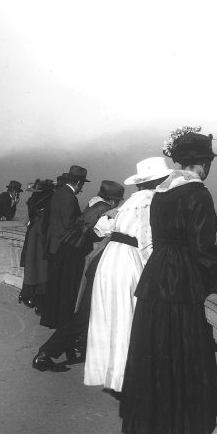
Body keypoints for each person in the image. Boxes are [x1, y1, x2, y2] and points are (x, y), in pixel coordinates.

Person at [119, 128, 217, 434]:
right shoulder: (198, 193)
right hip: (183, 279)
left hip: (157, 276)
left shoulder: (161, 192)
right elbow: (203, 246)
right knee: (183, 351)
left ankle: (154, 424)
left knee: (157, 351)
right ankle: (183, 428)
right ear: (202, 163)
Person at [83, 157, 173, 392]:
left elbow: (102, 226)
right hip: (128, 260)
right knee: (127, 318)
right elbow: (147, 241)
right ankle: (126, 380)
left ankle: (110, 375)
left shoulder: (131, 201)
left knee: (108, 316)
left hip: (110, 258)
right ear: (160, 181)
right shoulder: (153, 202)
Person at [31, 180, 125, 372]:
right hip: (91, 263)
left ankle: (65, 347)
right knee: (84, 312)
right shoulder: (106, 214)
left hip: (77, 259)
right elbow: (108, 231)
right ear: (115, 201)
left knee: (84, 311)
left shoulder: (94, 205)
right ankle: (48, 352)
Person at [39, 165, 89, 330]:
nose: (82, 189)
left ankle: (53, 319)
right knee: (63, 286)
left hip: (54, 245)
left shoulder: (60, 193)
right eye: (82, 185)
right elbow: (68, 223)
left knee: (55, 285)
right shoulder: (69, 197)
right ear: (78, 183)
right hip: (63, 247)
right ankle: (61, 320)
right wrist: (83, 223)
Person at [18, 178, 55, 313]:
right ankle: (39, 302)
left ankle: (28, 295)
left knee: (32, 267)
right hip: (41, 235)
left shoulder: (33, 201)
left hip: (33, 234)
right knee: (42, 269)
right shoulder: (48, 200)